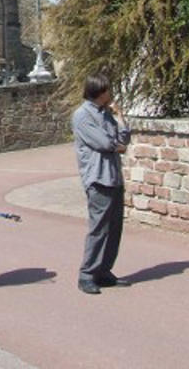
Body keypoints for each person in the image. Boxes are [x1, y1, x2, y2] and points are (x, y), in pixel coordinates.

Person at [72, 73, 131, 295]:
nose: (111, 94)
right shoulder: (82, 115)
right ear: (99, 91)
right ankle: (87, 274)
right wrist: (117, 144)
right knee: (99, 229)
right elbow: (104, 143)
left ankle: (104, 271)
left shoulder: (106, 114)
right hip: (98, 178)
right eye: (108, 90)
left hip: (114, 176)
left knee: (115, 228)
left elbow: (124, 138)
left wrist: (120, 116)